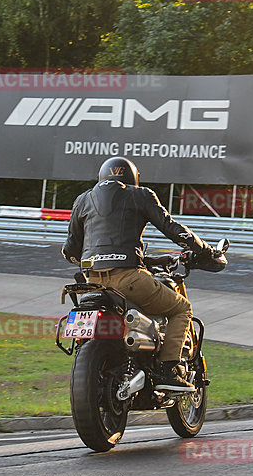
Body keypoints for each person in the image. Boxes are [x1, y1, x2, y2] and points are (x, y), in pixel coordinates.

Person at [62, 156, 212, 392]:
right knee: (181, 308)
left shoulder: (82, 200)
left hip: (92, 283)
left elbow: (70, 250)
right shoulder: (140, 195)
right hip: (129, 280)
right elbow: (172, 228)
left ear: (102, 176)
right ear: (132, 178)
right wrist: (203, 248)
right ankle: (168, 369)